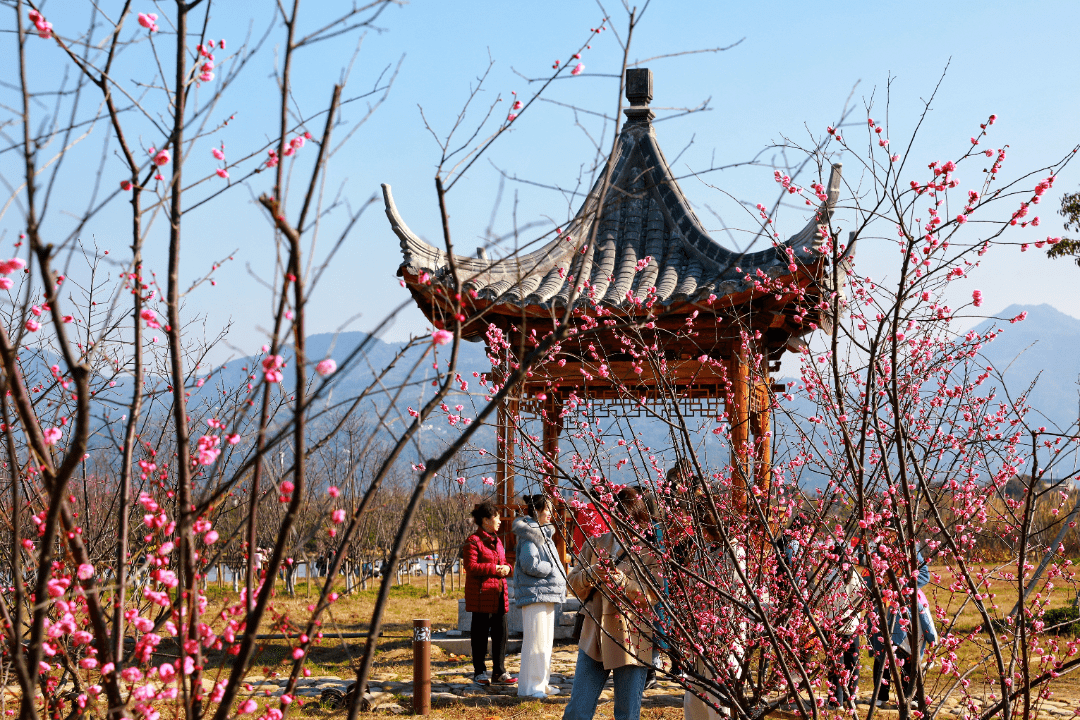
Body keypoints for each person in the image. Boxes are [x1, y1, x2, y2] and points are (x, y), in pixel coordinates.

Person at [564, 488, 658, 720]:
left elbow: (653, 594)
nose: (618, 521)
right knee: (578, 710)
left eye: (625, 516)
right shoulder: (597, 543)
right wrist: (592, 573)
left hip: (632, 639)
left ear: (638, 517)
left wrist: (623, 581)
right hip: (594, 635)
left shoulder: (650, 552)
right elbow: (572, 583)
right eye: (615, 515)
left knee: (626, 713)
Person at [513, 494, 567, 698]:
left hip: (544, 593)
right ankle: (531, 688)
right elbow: (529, 563)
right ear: (536, 510)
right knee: (535, 642)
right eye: (547, 509)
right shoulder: (531, 535)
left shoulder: (543, 534)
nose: (550, 513)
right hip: (535, 593)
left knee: (544, 642)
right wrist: (551, 568)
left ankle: (542, 683)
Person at [463, 502, 515, 686]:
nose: (500, 521)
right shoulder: (473, 541)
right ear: (486, 520)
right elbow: (470, 567)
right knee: (480, 635)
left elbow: (505, 562)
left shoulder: (497, 540)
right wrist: (494, 568)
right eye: (497, 517)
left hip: (499, 593)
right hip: (481, 595)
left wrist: (507, 568)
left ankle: (499, 671)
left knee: (502, 633)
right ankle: (479, 672)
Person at [825, 557, 865, 709]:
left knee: (836, 665)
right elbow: (862, 597)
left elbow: (821, 599)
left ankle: (836, 701)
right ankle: (851, 700)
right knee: (852, 664)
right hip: (852, 625)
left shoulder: (829, 575)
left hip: (833, 624)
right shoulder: (855, 575)